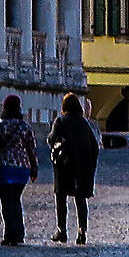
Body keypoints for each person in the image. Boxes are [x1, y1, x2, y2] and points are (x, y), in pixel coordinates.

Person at [0, 95, 39, 246]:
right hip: (22, 168)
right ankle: (19, 233)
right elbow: (31, 150)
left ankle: (9, 234)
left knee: (6, 202)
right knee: (16, 200)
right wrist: (34, 170)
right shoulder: (25, 127)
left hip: (4, 167)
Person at [48, 94, 98, 244]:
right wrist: (90, 165)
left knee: (61, 198)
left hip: (64, 165)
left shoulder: (61, 120)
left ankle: (61, 230)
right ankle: (82, 231)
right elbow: (94, 145)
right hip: (81, 166)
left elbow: (51, 139)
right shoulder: (84, 123)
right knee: (80, 199)